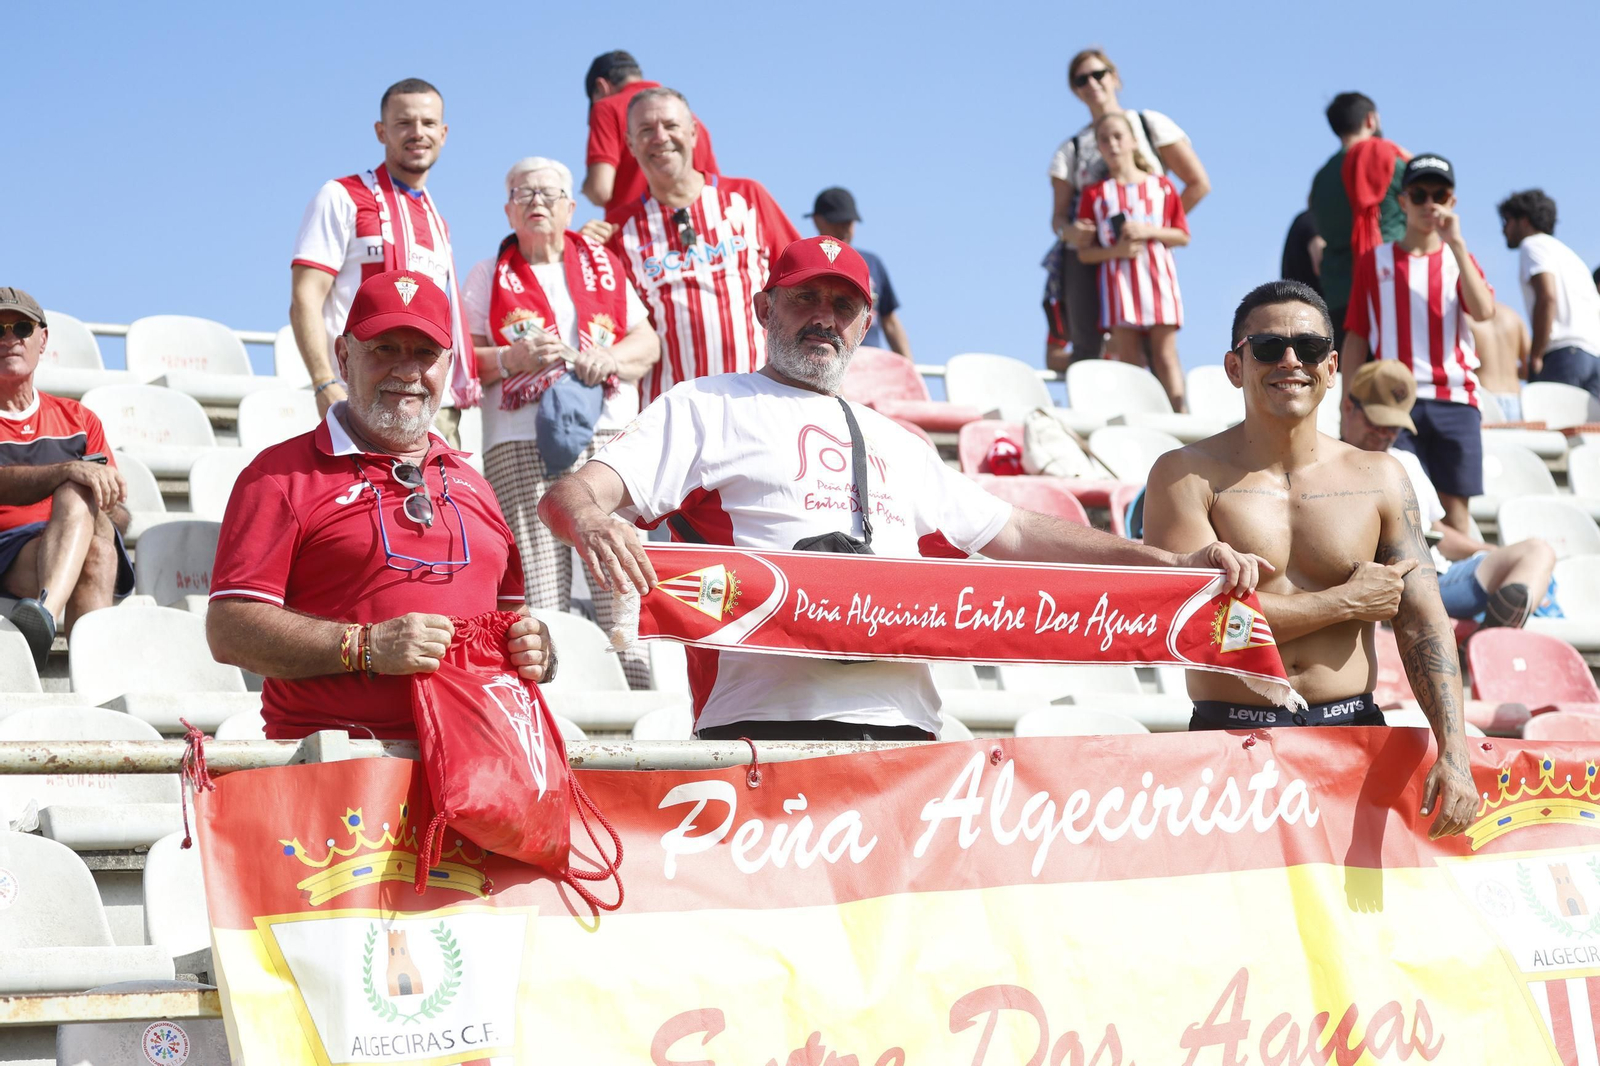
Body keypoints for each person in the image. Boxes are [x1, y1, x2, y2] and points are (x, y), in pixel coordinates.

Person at [537, 236, 1268, 742]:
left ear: (863, 326)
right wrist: (598, 523)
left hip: (903, 723)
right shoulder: (706, 404)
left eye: (843, 305)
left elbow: (1011, 532)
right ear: (764, 310)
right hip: (762, 722)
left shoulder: (897, 440)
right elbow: (569, 496)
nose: (823, 317)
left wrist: (1164, 565)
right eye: (804, 299)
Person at [1143, 280, 1476, 838]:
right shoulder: (1183, 475)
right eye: (1269, 347)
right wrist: (1345, 603)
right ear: (1234, 366)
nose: (1291, 361)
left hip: (1353, 733)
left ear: (1332, 366)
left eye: (1311, 348)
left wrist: (1456, 751)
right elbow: (1201, 623)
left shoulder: (1381, 478)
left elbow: (1422, 621)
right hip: (1230, 739)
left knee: (1360, 925)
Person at [207, 271, 553, 740]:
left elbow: (514, 618)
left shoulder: (476, 485)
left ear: (448, 366)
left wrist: (539, 649)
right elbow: (229, 629)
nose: (407, 372)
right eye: (385, 349)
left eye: (425, 354)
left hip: (476, 764)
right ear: (344, 356)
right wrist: (364, 647)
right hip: (341, 772)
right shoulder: (278, 476)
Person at [461, 157, 660, 688]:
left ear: (572, 207)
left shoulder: (605, 265)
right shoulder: (486, 273)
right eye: (523, 194)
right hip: (520, 440)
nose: (537, 203)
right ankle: (552, 708)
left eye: (549, 194)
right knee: (541, 586)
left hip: (607, 438)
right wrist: (512, 358)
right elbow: (462, 358)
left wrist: (610, 357)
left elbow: (648, 343)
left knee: (618, 578)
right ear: (507, 209)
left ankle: (638, 698)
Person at [289, 78, 479, 440]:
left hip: (426, 403)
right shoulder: (342, 196)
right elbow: (305, 298)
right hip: (357, 396)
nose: (417, 133)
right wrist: (322, 381)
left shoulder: (438, 221)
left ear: (444, 133)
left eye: (427, 123)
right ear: (381, 131)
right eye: (404, 123)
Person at [608, 87, 801, 405]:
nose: (660, 137)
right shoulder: (617, 233)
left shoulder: (748, 198)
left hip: (764, 402)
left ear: (694, 133)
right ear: (630, 144)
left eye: (671, 126)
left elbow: (802, 278)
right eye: (645, 129)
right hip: (673, 419)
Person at [1342, 155, 1494, 534]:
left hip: (1454, 401)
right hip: (1392, 402)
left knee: (1454, 514)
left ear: (1452, 202)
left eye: (1439, 194)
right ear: (1403, 200)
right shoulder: (1373, 261)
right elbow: (1356, 335)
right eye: (1420, 194)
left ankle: (1453, 590)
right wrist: (1347, 402)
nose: (1430, 204)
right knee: (1400, 507)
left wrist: (1456, 244)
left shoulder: (1460, 259)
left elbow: (1484, 311)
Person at [1340, 361, 1554, 629]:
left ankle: (1485, 642)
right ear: (1349, 407)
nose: (1384, 435)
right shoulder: (1326, 464)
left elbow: (1437, 533)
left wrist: (1486, 550)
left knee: (1537, 551)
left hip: (1439, 579)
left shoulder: (1406, 460)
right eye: (1377, 423)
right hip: (1383, 586)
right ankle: (1484, 643)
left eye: (1393, 427)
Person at [1046, 47, 1209, 371]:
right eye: (1081, 79)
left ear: (1114, 77)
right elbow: (1058, 217)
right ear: (1075, 90)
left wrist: (1154, 231)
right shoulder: (1072, 148)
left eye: (1098, 73)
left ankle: (1170, 414)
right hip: (1090, 257)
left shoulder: (1149, 124)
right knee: (1092, 347)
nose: (1092, 83)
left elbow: (1197, 184)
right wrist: (1073, 233)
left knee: (1160, 347)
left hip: (1143, 255)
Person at [0, 289, 133, 666]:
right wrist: (67, 472)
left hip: (55, 550)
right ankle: (98, 694)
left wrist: (96, 505)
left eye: (21, 328)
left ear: (42, 340)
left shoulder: (79, 418)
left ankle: (44, 613)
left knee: (96, 543)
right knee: (79, 494)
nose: (10, 339)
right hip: (6, 548)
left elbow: (121, 514)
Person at [1074, 112, 1190, 411]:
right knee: (1129, 360)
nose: (1112, 144)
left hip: (1158, 281)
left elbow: (1182, 235)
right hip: (1118, 286)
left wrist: (1148, 231)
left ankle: (1180, 416)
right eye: (1104, 139)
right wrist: (1117, 251)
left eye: (1118, 137)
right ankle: (1139, 416)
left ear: (1133, 141)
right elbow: (1085, 253)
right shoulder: (1095, 194)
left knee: (1166, 356)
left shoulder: (1163, 187)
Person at [1309, 93, 1408, 351]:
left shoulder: (1320, 179)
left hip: (1339, 296)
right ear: (1370, 120)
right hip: (1388, 287)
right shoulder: (1386, 158)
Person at [579, 50, 719, 231]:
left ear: (601, 87)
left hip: (637, 236)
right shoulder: (691, 122)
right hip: (701, 233)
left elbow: (600, 190)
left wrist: (586, 187)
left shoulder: (607, 108)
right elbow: (714, 189)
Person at [1498, 189, 1600, 401]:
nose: (1503, 229)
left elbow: (1547, 297)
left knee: (1555, 430)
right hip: (1593, 356)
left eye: (1507, 221)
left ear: (1524, 221)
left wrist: (1536, 355)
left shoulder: (1532, 245)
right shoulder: (1570, 256)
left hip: (1564, 356)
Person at [807, 187, 912, 358]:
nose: (844, 230)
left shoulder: (872, 263)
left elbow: (890, 321)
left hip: (869, 362)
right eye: (837, 222)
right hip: (822, 356)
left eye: (848, 223)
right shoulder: (805, 264)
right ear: (817, 221)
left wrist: (909, 368)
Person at [1470, 302, 1531, 421]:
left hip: (1484, 398)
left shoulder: (1466, 317)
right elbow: (1528, 368)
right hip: (1515, 399)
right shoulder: (1514, 316)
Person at [1280, 205, 1324, 295]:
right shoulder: (1313, 219)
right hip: (1314, 303)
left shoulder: (1303, 220)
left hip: (1293, 301)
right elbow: (1321, 261)